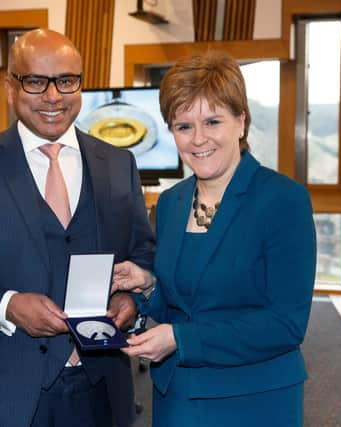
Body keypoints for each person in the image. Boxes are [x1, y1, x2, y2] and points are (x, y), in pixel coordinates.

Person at [0, 29, 155, 427]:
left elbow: (143, 256)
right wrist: (6, 305)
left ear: (80, 84)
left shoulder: (119, 163)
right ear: (10, 87)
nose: (53, 96)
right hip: (1, 394)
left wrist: (130, 301)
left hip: (102, 395)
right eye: (36, 82)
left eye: (66, 80)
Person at [112, 51, 316, 427]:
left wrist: (181, 339)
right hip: (177, 395)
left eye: (212, 121)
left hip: (254, 398)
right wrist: (148, 286)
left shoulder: (283, 200)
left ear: (241, 122)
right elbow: (182, 302)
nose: (198, 139)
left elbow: (285, 324)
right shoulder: (171, 204)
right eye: (183, 126)